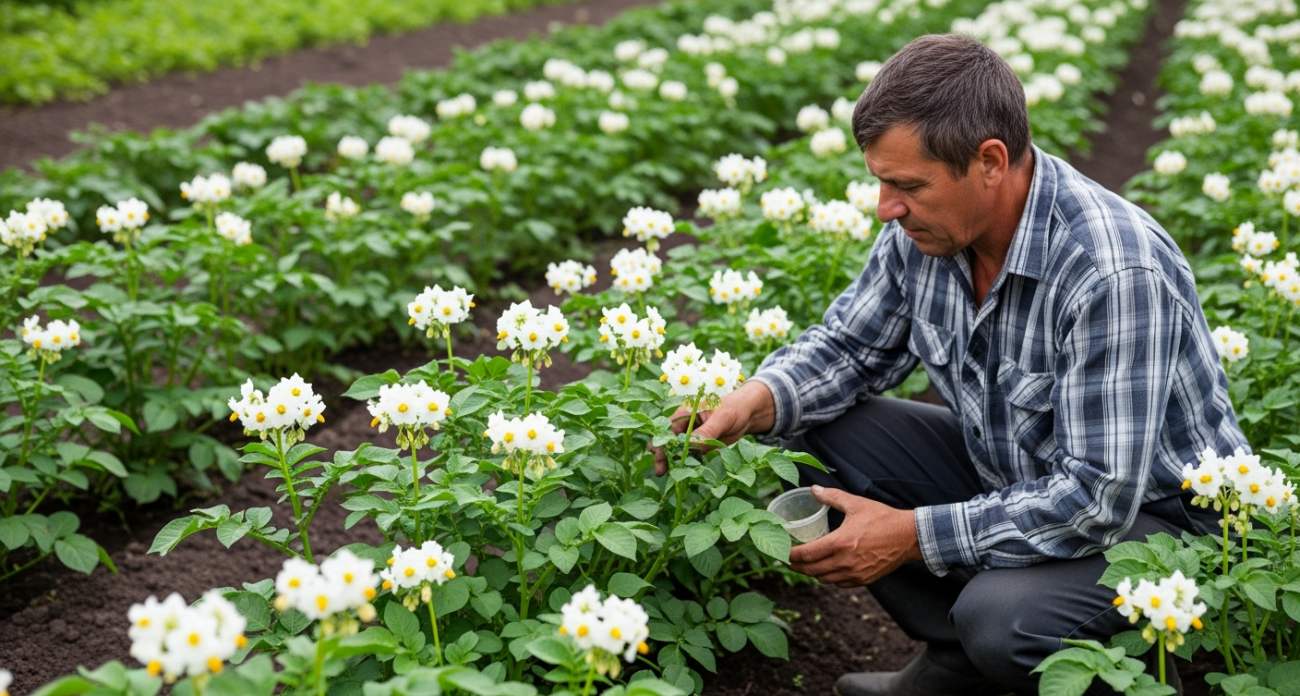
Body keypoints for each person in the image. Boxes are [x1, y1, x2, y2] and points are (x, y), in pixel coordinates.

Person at [653, 34, 1245, 695]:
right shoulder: (925, 232)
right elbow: (851, 347)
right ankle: (955, 663)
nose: (886, 209)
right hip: (1020, 476)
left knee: (1002, 621)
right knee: (809, 434)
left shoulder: (1111, 273)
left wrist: (910, 536)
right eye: (881, 183)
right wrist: (753, 399)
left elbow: (1094, 499)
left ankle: (1122, 671)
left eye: (907, 185)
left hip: (1165, 528)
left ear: (990, 161)